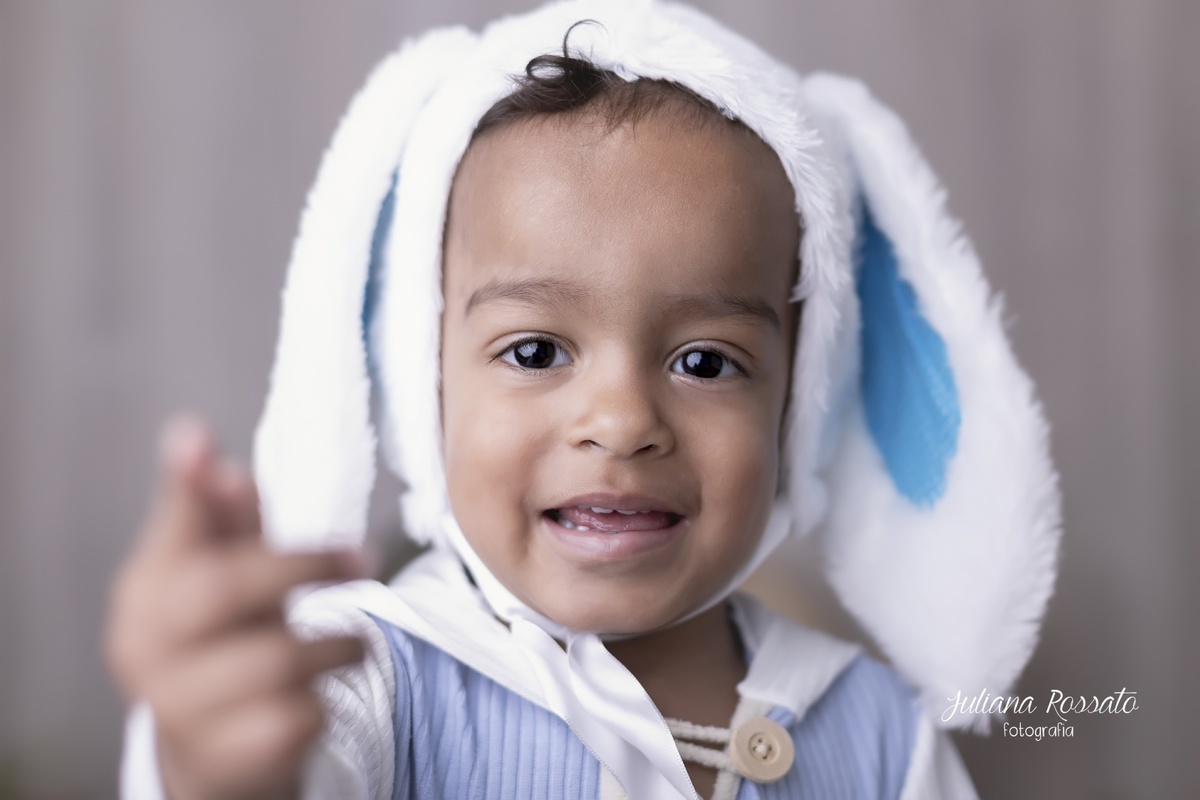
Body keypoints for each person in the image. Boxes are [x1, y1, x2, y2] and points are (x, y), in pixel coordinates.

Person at [107, 2, 1062, 798]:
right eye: (534, 350)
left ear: (797, 400)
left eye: (705, 362)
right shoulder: (366, 677)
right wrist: (210, 761)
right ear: (426, 376)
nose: (622, 422)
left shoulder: (882, 739)